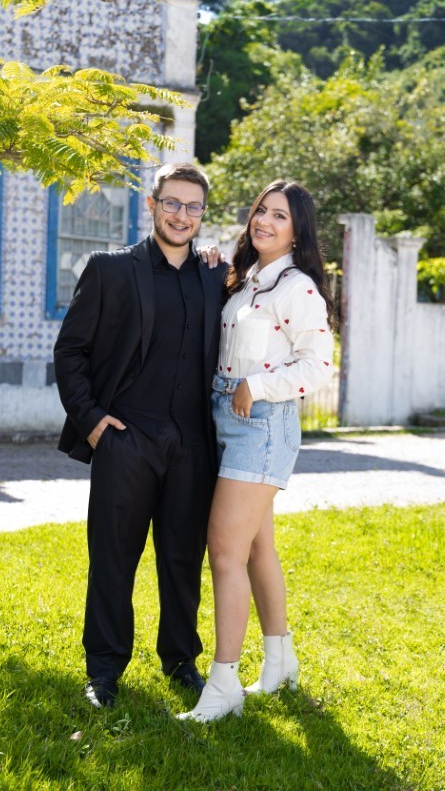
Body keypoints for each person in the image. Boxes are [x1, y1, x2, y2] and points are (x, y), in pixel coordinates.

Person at [54, 162, 227, 708]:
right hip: (126, 439)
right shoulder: (109, 270)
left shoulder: (215, 277)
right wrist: (92, 422)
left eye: (193, 206)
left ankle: (180, 660)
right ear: (151, 205)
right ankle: (103, 671)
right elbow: (70, 351)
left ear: (203, 213)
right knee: (113, 558)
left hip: (192, 444)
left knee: (182, 561)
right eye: (171, 203)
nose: (181, 215)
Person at [177, 179, 335, 722]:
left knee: (224, 552)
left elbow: (319, 365)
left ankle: (224, 685)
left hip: (262, 425)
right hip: (226, 419)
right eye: (261, 211)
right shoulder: (247, 280)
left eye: (280, 216)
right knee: (257, 548)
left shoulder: (296, 288)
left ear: (297, 233)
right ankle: (280, 660)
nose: (264, 221)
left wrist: (257, 386)